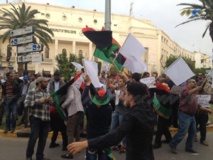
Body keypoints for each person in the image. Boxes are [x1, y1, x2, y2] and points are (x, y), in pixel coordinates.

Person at [67, 82, 155, 160]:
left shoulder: (131, 116)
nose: (123, 97)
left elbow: (116, 136)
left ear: (131, 97)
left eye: (126, 94)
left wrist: (86, 143)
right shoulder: (147, 109)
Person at [169, 78, 213, 154]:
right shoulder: (185, 90)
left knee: (193, 132)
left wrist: (206, 109)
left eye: (195, 82)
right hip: (184, 114)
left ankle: (189, 147)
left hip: (191, 115)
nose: (194, 83)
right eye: (193, 82)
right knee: (183, 131)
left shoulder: (194, 93)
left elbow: (197, 104)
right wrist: (197, 88)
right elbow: (187, 93)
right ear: (188, 83)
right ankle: (173, 145)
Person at [82, 76, 113, 160]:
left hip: (92, 136)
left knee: (91, 156)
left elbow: (84, 97)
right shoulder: (109, 108)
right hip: (104, 136)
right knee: (103, 155)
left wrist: (88, 85)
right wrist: (91, 84)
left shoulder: (92, 107)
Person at [25, 77, 52, 160]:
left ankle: (39, 156)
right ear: (39, 83)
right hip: (36, 118)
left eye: (47, 82)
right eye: (45, 82)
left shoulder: (47, 92)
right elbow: (26, 104)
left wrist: (51, 101)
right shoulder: (32, 91)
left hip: (46, 118)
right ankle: (29, 155)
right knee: (33, 137)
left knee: (43, 139)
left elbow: (51, 104)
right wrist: (38, 102)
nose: (47, 83)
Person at [61, 83, 84, 159]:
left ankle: (70, 153)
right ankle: (78, 147)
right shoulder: (76, 88)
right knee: (76, 128)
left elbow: (71, 97)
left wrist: (63, 105)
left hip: (74, 111)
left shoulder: (70, 88)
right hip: (80, 110)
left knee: (70, 131)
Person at [48, 71, 67, 151]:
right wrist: (52, 102)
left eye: (58, 75)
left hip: (60, 106)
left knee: (62, 127)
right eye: (55, 75)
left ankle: (65, 145)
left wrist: (59, 103)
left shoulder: (63, 83)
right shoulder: (50, 83)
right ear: (53, 76)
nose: (56, 77)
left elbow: (64, 95)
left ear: (60, 76)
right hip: (53, 106)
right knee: (55, 126)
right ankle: (53, 142)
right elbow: (49, 92)